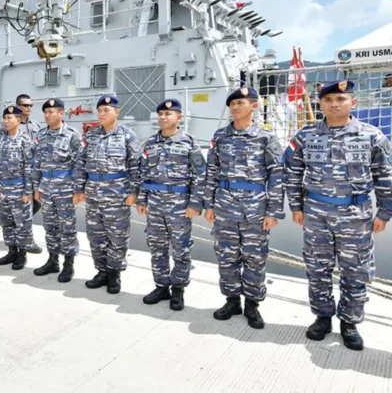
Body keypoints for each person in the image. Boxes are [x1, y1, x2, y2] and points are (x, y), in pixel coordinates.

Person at [285, 80, 392, 351]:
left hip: (356, 214)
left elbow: (385, 176)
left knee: (354, 270)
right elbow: (293, 173)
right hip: (316, 214)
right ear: (320, 103)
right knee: (317, 268)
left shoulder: (372, 136)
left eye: (341, 99)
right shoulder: (305, 136)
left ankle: (350, 323)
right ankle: (322, 318)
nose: (335, 103)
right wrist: (296, 207)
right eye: (329, 99)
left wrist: (384, 212)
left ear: (352, 102)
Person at [203, 87, 285, 330]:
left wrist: (273, 211)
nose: (236, 107)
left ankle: (252, 304)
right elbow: (212, 172)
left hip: (255, 208)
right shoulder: (220, 136)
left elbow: (276, 174)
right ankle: (231, 300)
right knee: (226, 257)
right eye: (233, 103)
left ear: (254, 106)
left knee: (255, 257)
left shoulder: (266, 137)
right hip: (225, 206)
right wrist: (209, 204)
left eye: (241, 102)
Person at [136, 99, 206, 310]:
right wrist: (142, 199)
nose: (163, 117)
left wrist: (195, 203)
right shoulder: (150, 144)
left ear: (179, 117)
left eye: (169, 113)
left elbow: (200, 174)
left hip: (179, 205)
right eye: (161, 114)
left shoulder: (189, 143)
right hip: (155, 204)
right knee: (157, 247)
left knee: (181, 249)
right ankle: (161, 286)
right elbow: (143, 173)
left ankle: (178, 289)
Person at [75, 95, 141, 294]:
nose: (102, 113)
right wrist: (79, 188)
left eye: (107, 110)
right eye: (100, 110)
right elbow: (80, 163)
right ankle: (101, 271)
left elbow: (136, 166)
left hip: (117, 194)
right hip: (93, 193)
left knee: (117, 236)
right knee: (95, 235)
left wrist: (134, 192)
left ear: (117, 112)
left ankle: (114, 274)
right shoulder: (91, 136)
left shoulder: (128, 136)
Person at [32, 98, 82, 282]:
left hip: (65, 190)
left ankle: (69, 265)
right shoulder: (42, 134)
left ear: (61, 113)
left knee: (67, 228)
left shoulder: (72, 135)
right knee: (50, 227)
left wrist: (78, 190)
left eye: (51, 112)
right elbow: (36, 163)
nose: (47, 115)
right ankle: (53, 260)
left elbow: (79, 164)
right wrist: (36, 187)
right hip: (46, 188)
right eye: (45, 112)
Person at [0, 105, 35, 270]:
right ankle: (11, 251)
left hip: (19, 188)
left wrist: (27, 191)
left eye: (10, 118)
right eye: (5, 118)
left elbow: (30, 167)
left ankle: (21, 254)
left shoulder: (26, 140)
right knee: (6, 222)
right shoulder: (1, 140)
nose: (6, 121)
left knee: (22, 223)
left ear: (18, 120)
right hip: (3, 188)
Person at [0, 94, 43, 253]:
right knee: (20, 209)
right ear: (18, 106)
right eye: (25, 105)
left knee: (33, 204)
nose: (29, 108)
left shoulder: (36, 125)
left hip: (33, 171)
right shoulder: (7, 126)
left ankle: (24, 235)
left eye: (31, 105)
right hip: (16, 173)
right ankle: (23, 240)